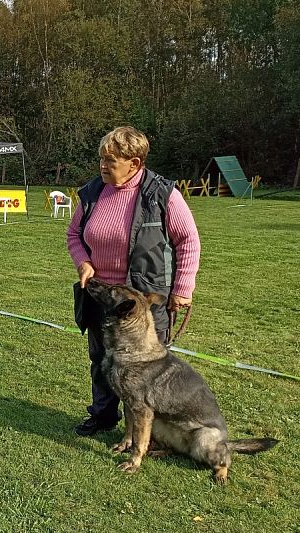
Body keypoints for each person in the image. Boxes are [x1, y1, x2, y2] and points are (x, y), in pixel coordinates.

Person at [67, 126, 200, 436]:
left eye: (110, 160)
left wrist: (182, 289)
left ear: (135, 163)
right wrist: (83, 262)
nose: (102, 166)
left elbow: (188, 241)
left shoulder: (163, 194)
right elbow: (74, 234)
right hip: (102, 297)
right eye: (101, 159)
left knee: (146, 372)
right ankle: (102, 416)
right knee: (102, 362)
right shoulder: (92, 193)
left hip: (144, 300)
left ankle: (150, 433)